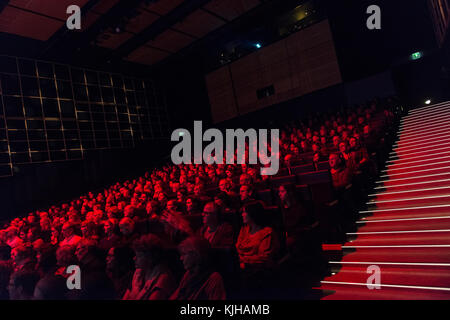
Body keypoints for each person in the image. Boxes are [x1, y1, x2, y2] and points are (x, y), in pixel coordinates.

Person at [123, 234, 175, 300]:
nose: (134, 258)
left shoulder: (163, 278)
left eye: (139, 256)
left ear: (150, 257)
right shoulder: (138, 273)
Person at [235, 201, 279, 270]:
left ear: (253, 214)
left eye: (244, 212)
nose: (242, 215)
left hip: (259, 269)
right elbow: (237, 248)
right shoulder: (244, 229)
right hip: (243, 264)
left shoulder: (267, 232)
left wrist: (243, 259)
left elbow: (263, 257)